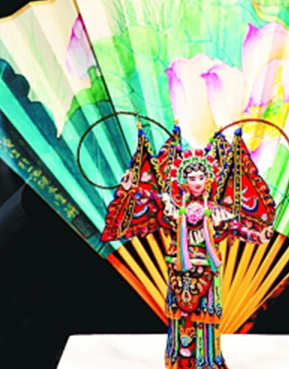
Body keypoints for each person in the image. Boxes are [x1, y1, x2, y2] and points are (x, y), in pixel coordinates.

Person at [101, 127, 275, 369]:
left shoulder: (215, 209)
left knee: (207, 317)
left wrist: (259, 235)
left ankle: (207, 359)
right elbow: (149, 197)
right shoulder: (171, 205)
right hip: (178, 268)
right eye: (192, 178)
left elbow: (236, 227)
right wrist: (131, 187)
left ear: (208, 179)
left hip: (206, 268)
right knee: (179, 317)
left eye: (201, 178)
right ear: (183, 181)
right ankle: (179, 358)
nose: (197, 182)